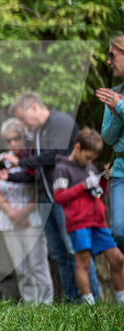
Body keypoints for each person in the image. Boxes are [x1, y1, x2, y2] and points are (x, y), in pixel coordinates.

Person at [3, 92, 99, 301]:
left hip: (66, 199)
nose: (22, 123)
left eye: (22, 117)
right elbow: (37, 169)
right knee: (59, 254)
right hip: (46, 200)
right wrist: (8, 176)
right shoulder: (36, 133)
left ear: (34, 108)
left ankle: (93, 299)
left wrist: (21, 162)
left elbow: (54, 155)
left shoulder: (60, 122)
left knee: (76, 250)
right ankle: (73, 298)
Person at [51, 128, 124, 305]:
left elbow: (98, 194)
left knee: (117, 258)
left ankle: (121, 299)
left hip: (98, 222)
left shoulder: (89, 167)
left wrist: (104, 181)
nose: (89, 162)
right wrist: (84, 185)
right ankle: (89, 304)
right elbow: (59, 197)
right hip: (78, 223)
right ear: (77, 147)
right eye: (88, 157)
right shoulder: (62, 169)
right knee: (83, 262)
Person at [0, 118, 53, 304]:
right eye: (8, 140)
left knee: (37, 264)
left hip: (32, 218)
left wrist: (23, 213)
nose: (13, 143)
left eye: (16, 138)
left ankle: (46, 303)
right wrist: (12, 213)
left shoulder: (33, 159)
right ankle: (30, 303)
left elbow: (39, 188)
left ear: (24, 138)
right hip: (9, 220)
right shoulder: (3, 159)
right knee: (21, 267)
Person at [95, 34, 124, 250]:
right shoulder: (114, 94)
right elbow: (107, 137)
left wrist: (121, 108)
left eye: (112, 55)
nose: (108, 61)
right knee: (119, 230)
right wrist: (115, 112)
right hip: (120, 174)